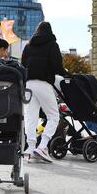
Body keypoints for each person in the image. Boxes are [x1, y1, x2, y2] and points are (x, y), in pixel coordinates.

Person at [21, 21, 68, 163]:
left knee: (31, 117)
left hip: (28, 84)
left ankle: (30, 148)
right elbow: (57, 66)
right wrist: (66, 73)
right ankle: (42, 146)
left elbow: (23, 64)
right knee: (54, 115)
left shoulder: (28, 46)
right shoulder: (52, 45)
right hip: (43, 82)